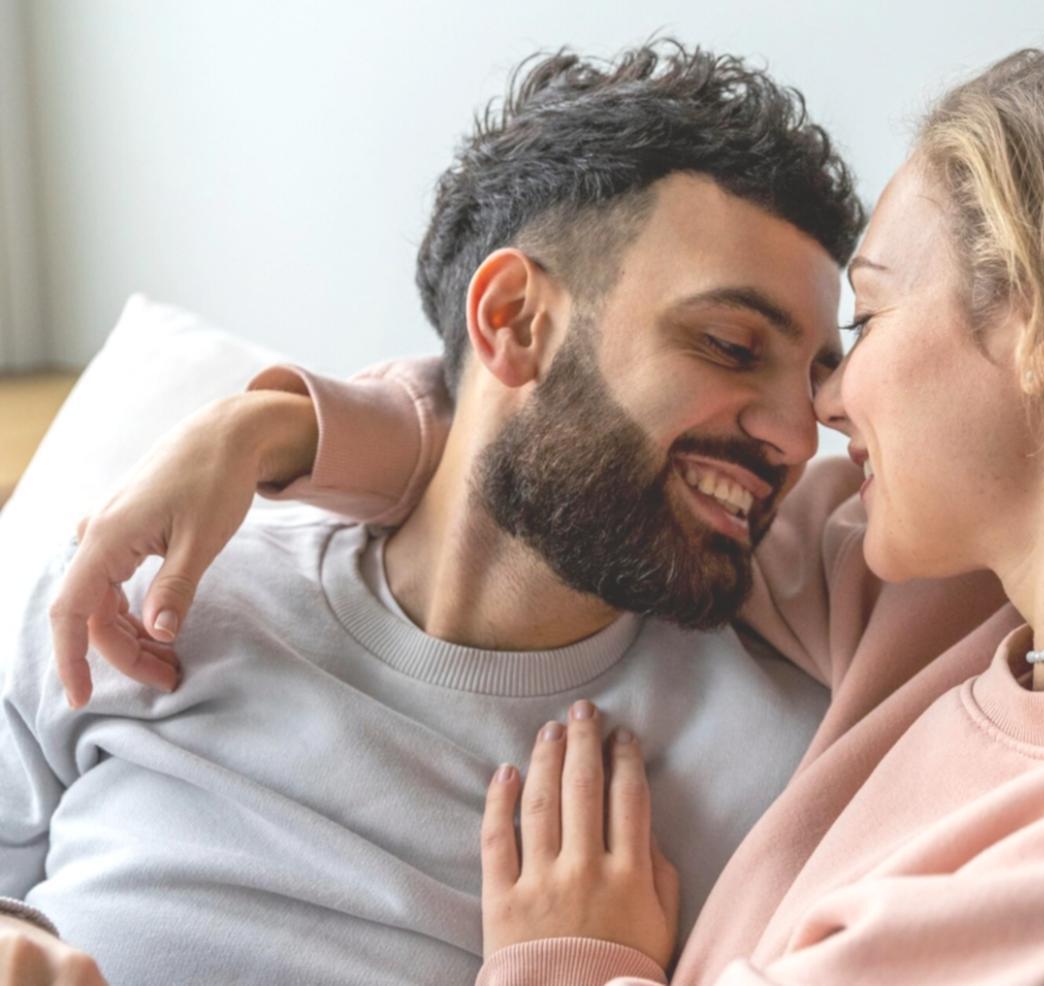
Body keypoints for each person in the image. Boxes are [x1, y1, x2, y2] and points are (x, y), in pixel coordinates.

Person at [40, 41, 1044, 985]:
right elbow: (556, 448)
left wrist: (570, 965)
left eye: (862, 326)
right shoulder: (970, 610)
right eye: (742, 348)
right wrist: (273, 425)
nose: (814, 414)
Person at [0, 41, 882, 984]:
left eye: (817, 379)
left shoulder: (774, 774)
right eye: (730, 345)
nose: (798, 436)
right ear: (514, 322)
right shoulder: (136, 597)